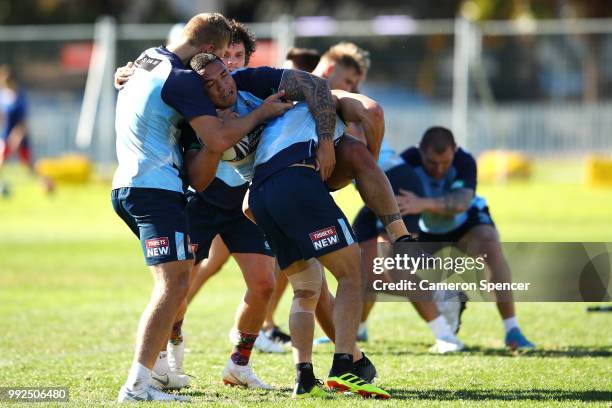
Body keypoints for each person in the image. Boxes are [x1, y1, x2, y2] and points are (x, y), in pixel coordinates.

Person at [183, 53, 391, 398]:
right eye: (213, 80)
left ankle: (304, 376)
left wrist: (323, 136)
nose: (225, 81)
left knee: (304, 289)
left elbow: (320, 90)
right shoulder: (208, 121)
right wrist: (263, 115)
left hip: (257, 201)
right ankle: (344, 365)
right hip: (283, 188)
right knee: (351, 273)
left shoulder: (256, 83)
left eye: (229, 67)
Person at [111, 13, 292, 402]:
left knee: (179, 282)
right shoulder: (184, 81)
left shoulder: (150, 58)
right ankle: (139, 384)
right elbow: (219, 137)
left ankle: (162, 373)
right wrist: (262, 113)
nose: (226, 66)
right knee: (174, 284)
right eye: (223, 55)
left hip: (134, 184)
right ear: (208, 49)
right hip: (154, 188)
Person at [396, 126, 535, 351]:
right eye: (432, 163)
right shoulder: (405, 162)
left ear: (454, 152)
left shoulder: (465, 161)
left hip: (464, 225)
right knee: (382, 256)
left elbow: (461, 202)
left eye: (445, 163)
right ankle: (359, 328)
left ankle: (513, 330)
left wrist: (423, 203)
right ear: (420, 151)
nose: (439, 169)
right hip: (423, 227)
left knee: (489, 240)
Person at [0, 64, 54, 195]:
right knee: (1, 160)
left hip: (19, 136)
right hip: (5, 135)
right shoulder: (2, 96)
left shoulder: (19, 96)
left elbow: (23, 121)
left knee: (29, 165)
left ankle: (47, 184)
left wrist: (17, 136)